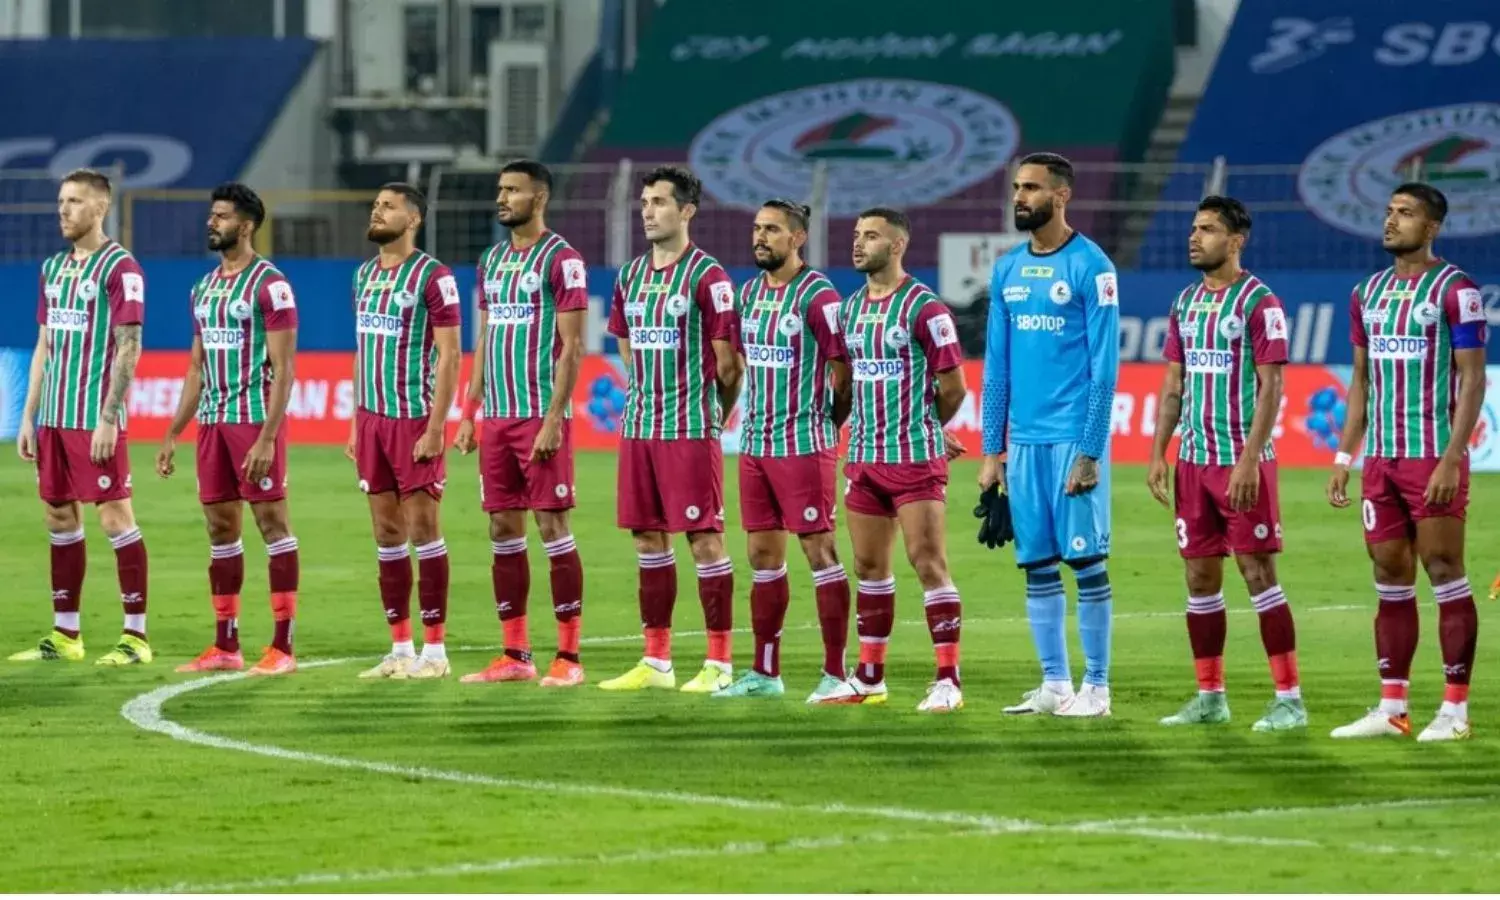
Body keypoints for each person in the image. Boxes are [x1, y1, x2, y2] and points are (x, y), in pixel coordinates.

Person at [1326, 183, 1486, 743]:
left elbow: (1473, 380)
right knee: (1389, 576)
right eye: (1390, 211)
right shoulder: (1366, 293)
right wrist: (1344, 454)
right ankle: (1392, 709)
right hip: (1381, 461)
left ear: (1432, 227)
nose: (1392, 221)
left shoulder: (1456, 290)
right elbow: (1361, 382)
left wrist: (1451, 458)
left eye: (1406, 213)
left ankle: (1455, 710)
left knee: (1443, 570)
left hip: (1431, 456)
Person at [1146, 196, 1304, 731]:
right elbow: (1173, 385)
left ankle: (1289, 700)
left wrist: (1250, 459)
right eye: (1194, 228)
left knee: (1258, 574)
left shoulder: (1260, 303)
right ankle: (1210, 697)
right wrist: (1158, 453)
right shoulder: (1185, 303)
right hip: (1193, 462)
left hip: (1241, 462)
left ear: (1236, 240)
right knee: (1199, 578)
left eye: (1208, 229)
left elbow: (1272, 386)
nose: (1195, 237)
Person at [981, 152, 1120, 718]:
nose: (1020, 197)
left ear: (1061, 196)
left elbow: (1105, 369)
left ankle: (1098, 688)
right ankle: (1055, 685)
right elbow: (996, 367)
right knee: (1036, 564)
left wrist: (1090, 450)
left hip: (1071, 439)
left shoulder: (1092, 266)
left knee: (1086, 564)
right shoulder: (1007, 270)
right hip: (1024, 444)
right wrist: (993, 451)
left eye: (1031, 188)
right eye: (1017, 187)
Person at [600, 165, 744, 694]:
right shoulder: (630, 275)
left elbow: (730, 366)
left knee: (704, 540)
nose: (647, 211)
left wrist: (712, 412)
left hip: (689, 428)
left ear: (686, 211)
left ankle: (719, 664)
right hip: (640, 427)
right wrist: (645, 386)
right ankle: (656, 661)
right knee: (647, 538)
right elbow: (623, 340)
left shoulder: (709, 277)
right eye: (643, 202)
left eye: (659, 202)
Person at [711, 199, 854, 702]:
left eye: (771, 229)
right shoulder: (748, 294)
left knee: (820, 552)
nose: (760, 237)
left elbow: (844, 376)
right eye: (757, 228)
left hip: (804, 446)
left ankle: (836, 673)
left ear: (797, 238)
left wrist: (825, 427)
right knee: (761, 556)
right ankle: (765, 673)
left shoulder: (819, 296)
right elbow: (734, 365)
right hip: (754, 444)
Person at [454, 160, 588, 687]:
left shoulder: (562, 260)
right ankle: (515, 654)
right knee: (502, 528)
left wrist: (555, 418)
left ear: (540, 197)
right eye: (500, 189)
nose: (502, 198)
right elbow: (484, 338)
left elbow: (573, 346)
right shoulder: (490, 261)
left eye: (513, 190)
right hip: (497, 419)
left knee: (553, 527)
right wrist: (470, 412)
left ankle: (569, 658)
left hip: (538, 415)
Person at [159, 183, 301, 676]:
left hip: (253, 421)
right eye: (211, 215)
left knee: (272, 525)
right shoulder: (203, 289)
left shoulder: (271, 285)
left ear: (246, 225)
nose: (211, 222)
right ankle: (226, 645)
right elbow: (195, 368)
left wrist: (267, 437)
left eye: (221, 216)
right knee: (220, 529)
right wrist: (174, 430)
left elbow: (285, 369)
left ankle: (283, 648)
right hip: (213, 425)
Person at [12, 169, 151, 666]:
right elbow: (44, 345)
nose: (63, 210)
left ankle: (135, 637)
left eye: (74, 201)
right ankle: (66, 634)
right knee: (58, 515)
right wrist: (28, 416)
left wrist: (110, 417)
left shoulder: (121, 268)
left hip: (94, 418)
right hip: (53, 418)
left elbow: (129, 346)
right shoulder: (52, 268)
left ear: (100, 207)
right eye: (60, 202)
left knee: (115, 518)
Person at [835, 207, 968, 712]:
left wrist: (926, 426)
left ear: (896, 246)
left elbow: (954, 388)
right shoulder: (850, 310)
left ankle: (948, 681)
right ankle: (869, 678)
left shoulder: (926, 309)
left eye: (870, 236)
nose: (858, 243)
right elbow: (848, 383)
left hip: (913, 459)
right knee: (869, 567)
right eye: (856, 234)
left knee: (927, 562)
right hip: (864, 457)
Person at [348, 183, 463, 681]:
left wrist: (437, 426)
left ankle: (434, 652)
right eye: (375, 204)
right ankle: (399, 648)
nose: (377, 211)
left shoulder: (434, 277)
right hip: (372, 420)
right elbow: (361, 350)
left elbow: (451, 355)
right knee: (386, 533)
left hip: (414, 418)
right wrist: (354, 422)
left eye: (388, 206)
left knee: (423, 531)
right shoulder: (363, 276)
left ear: (413, 219)